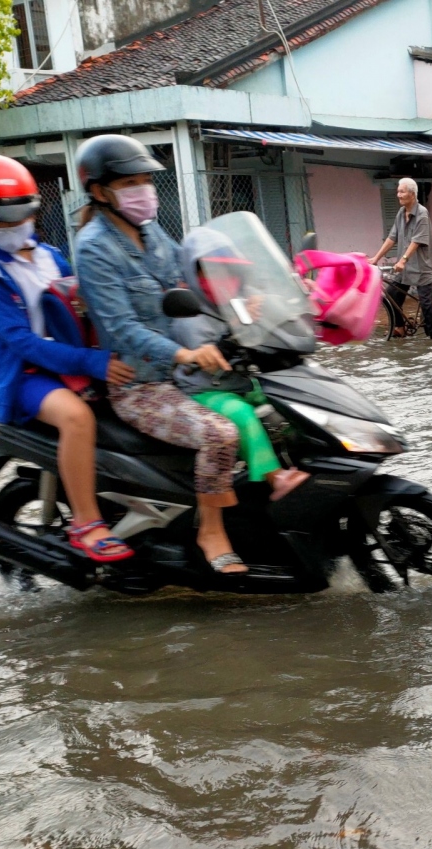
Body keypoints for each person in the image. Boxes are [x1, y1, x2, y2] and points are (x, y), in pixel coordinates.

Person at [73, 134, 251, 575]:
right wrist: (185, 354)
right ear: (100, 191)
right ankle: (211, 531)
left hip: (180, 375)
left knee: (270, 414)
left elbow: (191, 276)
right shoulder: (94, 247)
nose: (143, 191)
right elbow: (122, 329)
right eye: (129, 182)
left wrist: (246, 301)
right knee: (221, 435)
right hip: (140, 385)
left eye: (145, 181)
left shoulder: (151, 232)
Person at [0, 154, 136, 563]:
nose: (8, 226)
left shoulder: (49, 255)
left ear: (33, 209)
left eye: (16, 215)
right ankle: (86, 523)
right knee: (77, 418)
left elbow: (81, 302)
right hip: (24, 374)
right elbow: (23, 344)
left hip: (67, 361)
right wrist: (92, 363)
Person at [172, 228, 310, 502]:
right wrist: (237, 327)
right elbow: (212, 363)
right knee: (244, 416)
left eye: (231, 273)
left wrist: (282, 304)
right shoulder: (188, 313)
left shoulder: (236, 302)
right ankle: (276, 477)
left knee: (291, 402)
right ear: (195, 274)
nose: (225, 280)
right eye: (213, 273)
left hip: (242, 382)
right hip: (205, 391)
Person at [370, 178, 432, 339]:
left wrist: (402, 260)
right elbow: (391, 238)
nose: (398, 195)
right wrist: (376, 258)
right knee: (391, 295)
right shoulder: (401, 213)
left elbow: (416, 241)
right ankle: (400, 327)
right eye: (398, 192)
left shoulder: (422, 213)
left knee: (426, 305)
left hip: (423, 267)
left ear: (412, 194)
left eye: (402, 191)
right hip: (406, 268)